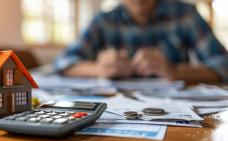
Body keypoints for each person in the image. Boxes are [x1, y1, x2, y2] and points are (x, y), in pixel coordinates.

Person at [54, 0, 228, 83]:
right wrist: (99, 69)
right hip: (116, 113)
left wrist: (175, 71)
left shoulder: (186, 14)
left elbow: (224, 63)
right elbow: (63, 61)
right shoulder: (104, 20)